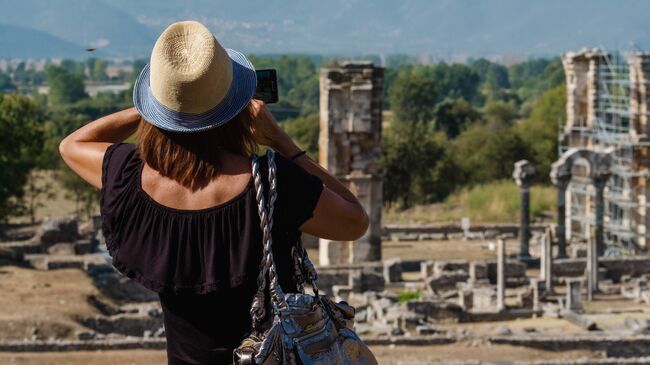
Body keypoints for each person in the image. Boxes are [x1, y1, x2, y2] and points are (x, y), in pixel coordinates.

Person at [59, 21, 368, 365]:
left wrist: (162, 106)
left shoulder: (129, 175)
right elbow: (355, 220)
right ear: (236, 104)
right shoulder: (271, 181)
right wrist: (283, 142)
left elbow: (72, 144)